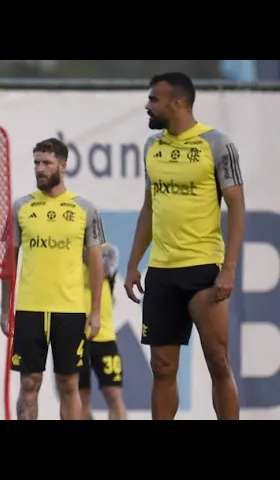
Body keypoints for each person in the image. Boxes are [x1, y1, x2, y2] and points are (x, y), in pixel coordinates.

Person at [124, 72, 245, 420]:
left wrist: (228, 269)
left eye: (154, 99)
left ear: (177, 103)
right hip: (162, 271)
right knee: (162, 367)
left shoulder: (216, 144)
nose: (147, 106)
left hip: (203, 269)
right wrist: (134, 264)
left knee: (218, 361)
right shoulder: (152, 146)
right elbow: (149, 208)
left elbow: (237, 206)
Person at [0, 137, 105, 420]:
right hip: (29, 309)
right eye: (36, 163)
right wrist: (5, 308)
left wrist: (95, 311)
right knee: (29, 383)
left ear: (63, 165)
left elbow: (97, 263)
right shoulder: (20, 207)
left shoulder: (85, 209)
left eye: (46, 163)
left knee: (69, 384)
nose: (40, 169)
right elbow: (8, 261)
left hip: (69, 310)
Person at [78, 242, 128, 420]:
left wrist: (78, 251)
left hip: (104, 334)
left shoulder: (108, 251)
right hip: (76, 335)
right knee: (80, 400)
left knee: (114, 395)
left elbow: (102, 269)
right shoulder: (66, 250)